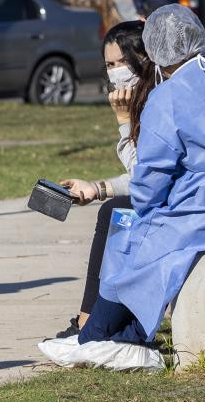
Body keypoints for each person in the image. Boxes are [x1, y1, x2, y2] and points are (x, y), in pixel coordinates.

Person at [38, 5, 205, 371]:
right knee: (143, 232)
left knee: (137, 238)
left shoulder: (169, 98)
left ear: (156, 53)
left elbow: (146, 191)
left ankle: (95, 337)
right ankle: (107, 337)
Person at [51, 21, 155, 337]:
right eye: (110, 65)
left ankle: (89, 320)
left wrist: (124, 123)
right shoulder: (140, 98)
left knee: (115, 213)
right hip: (170, 198)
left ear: (145, 59)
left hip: (187, 206)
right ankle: (91, 318)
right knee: (113, 209)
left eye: (123, 62)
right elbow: (146, 178)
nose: (116, 72)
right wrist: (96, 188)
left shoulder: (159, 100)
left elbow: (145, 178)